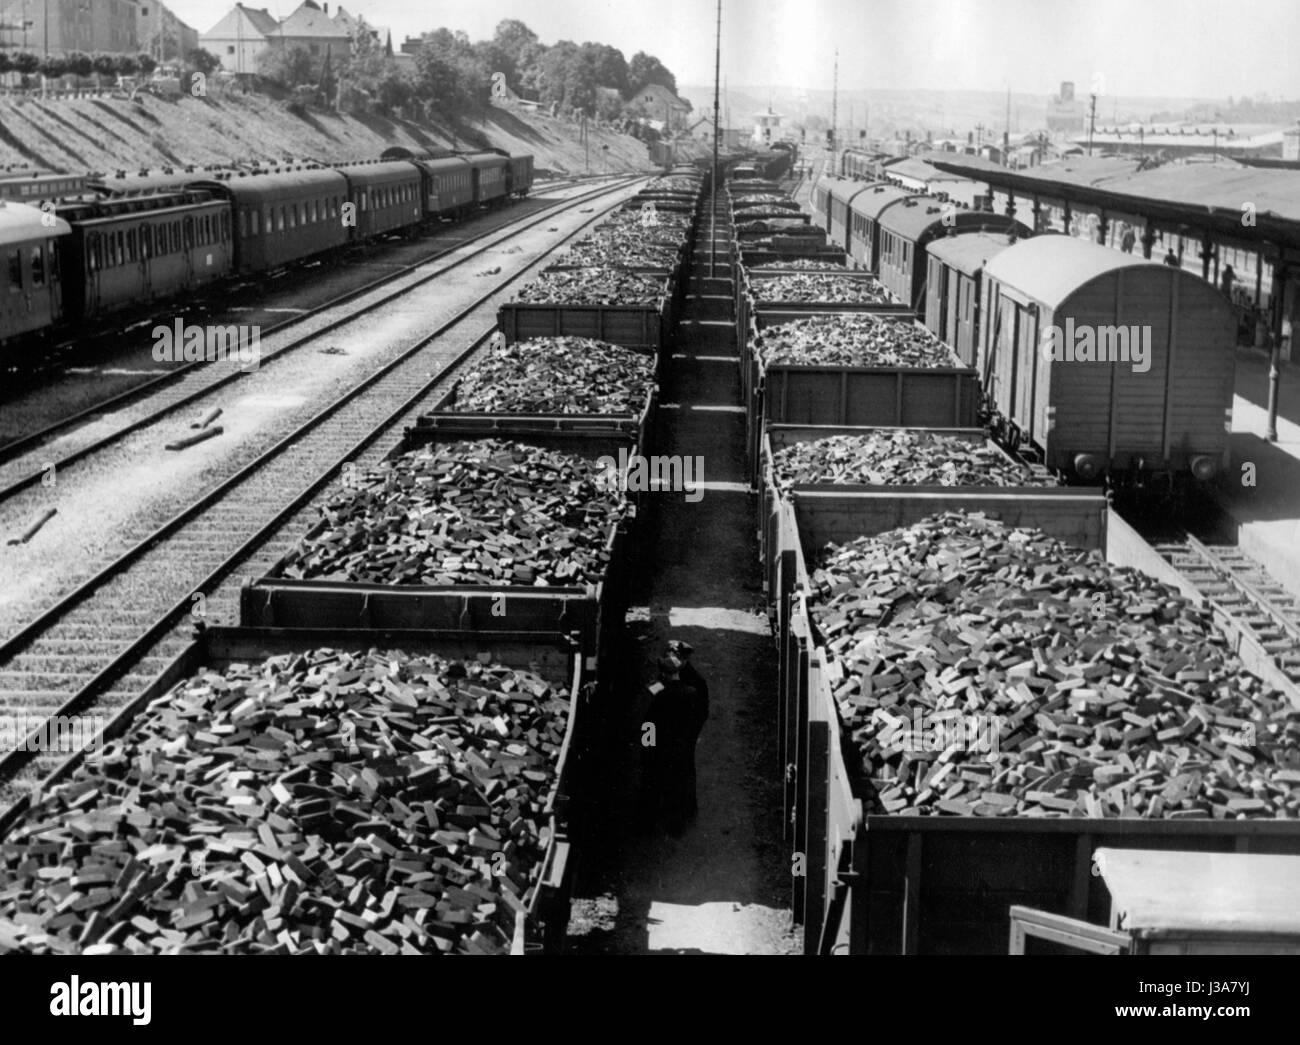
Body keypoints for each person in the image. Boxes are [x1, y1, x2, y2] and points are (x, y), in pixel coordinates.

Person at [641, 654, 702, 835]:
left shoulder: (658, 692)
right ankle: (682, 818)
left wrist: (647, 745)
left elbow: (648, 723)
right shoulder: (691, 692)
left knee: (656, 781)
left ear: (664, 673)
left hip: (661, 746)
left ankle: (650, 821)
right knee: (682, 781)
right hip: (682, 746)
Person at [667, 639, 709, 818]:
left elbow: (701, 713)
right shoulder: (669, 673)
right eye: (672, 655)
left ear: (685, 659)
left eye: (677, 656)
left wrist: (689, 736)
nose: (673, 659)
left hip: (683, 735)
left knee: (683, 770)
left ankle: (685, 811)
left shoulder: (696, 682)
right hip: (667, 733)